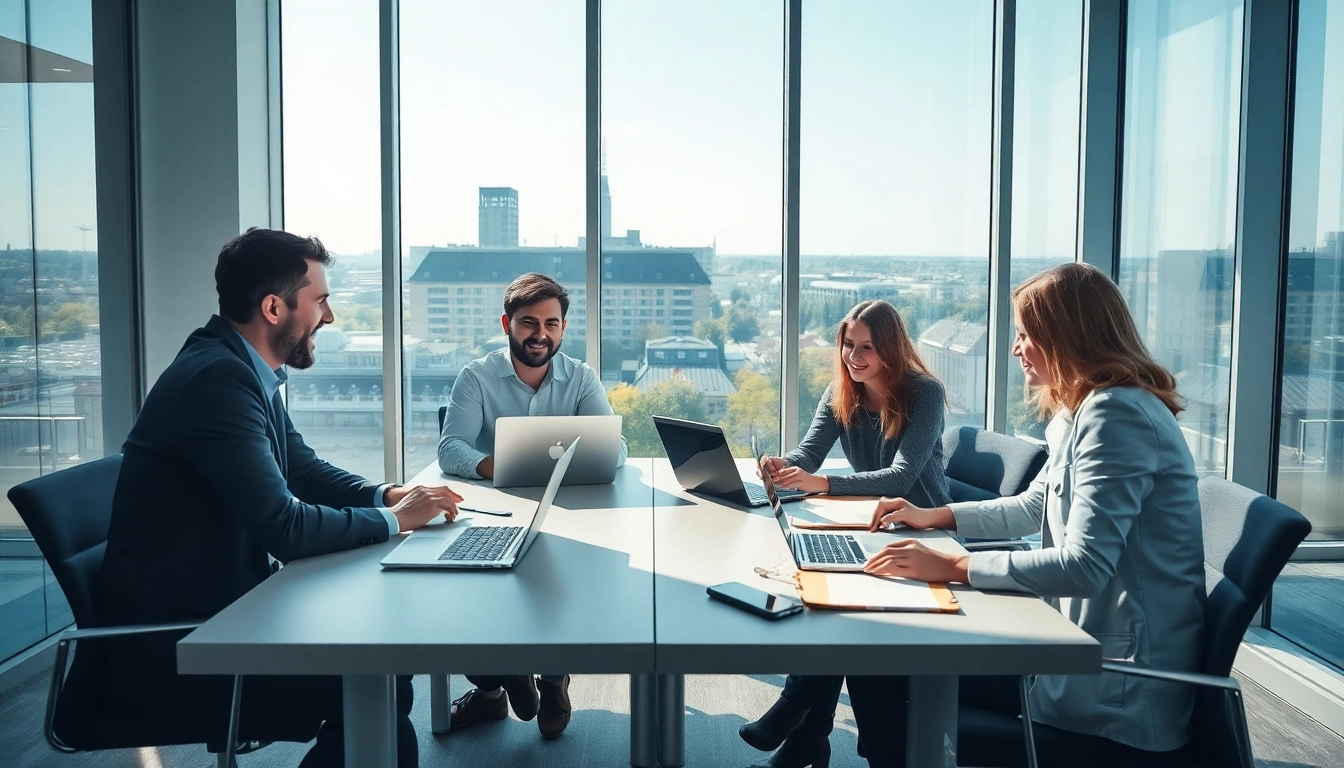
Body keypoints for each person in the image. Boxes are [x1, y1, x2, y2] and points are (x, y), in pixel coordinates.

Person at [97, 228, 462, 767]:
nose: (330, 318)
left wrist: (388, 494)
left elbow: (302, 469)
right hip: (182, 638)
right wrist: (393, 520)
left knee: (384, 672)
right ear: (274, 307)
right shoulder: (218, 379)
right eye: (321, 300)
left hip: (226, 605)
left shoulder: (237, 366)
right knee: (373, 679)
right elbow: (284, 527)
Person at [848, 262, 1205, 768]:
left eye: (1025, 334)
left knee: (884, 667)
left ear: (1067, 336)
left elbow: (1084, 565)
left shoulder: (1116, 415)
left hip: (1115, 689)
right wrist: (936, 517)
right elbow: (1034, 504)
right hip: (1066, 655)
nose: (1016, 348)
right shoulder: (1082, 410)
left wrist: (954, 567)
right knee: (877, 660)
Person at [742, 299, 952, 768]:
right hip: (871, 526)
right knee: (830, 597)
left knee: (839, 608)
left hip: (923, 531)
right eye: (849, 346)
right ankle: (804, 733)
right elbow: (809, 454)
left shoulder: (924, 394)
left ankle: (798, 721)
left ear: (892, 351)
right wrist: (782, 467)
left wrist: (825, 485)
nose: (854, 357)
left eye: (867, 348)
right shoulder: (843, 391)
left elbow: (900, 477)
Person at [437, 272, 627, 740]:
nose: (540, 334)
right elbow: (450, 448)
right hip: (492, 509)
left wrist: (581, 461)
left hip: (566, 512)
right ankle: (493, 688)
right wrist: (500, 466)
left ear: (563, 328)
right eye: (528, 323)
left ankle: (553, 679)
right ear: (507, 324)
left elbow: (615, 448)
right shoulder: (476, 377)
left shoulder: (580, 378)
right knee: (465, 603)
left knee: (563, 589)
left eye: (551, 323)